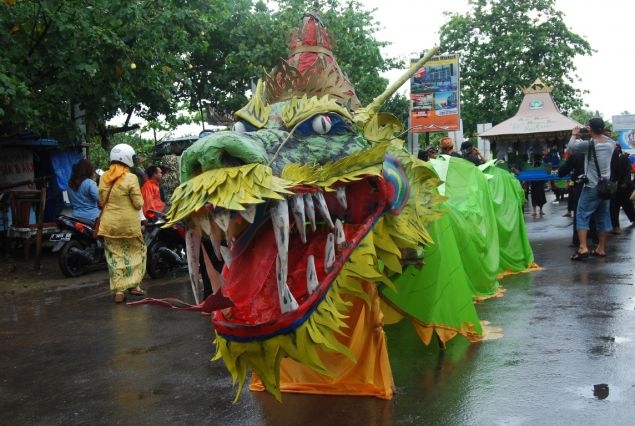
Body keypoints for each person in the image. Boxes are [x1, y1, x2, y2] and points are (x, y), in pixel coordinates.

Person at [98, 143, 147, 303]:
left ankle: (119, 291)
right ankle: (134, 286)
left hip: (109, 224)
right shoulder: (131, 177)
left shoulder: (104, 177)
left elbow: (101, 200)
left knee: (115, 257)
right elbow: (138, 203)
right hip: (129, 225)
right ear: (127, 158)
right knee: (136, 253)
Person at [567, 118, 615, 260]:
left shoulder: (588, 145)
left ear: (591, 129)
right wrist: (595, 131)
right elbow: (604, 137)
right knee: (603, 216)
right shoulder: (610, 144)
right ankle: (601, 248)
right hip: (605, 187)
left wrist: (574, 134)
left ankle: (583, 247)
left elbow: (570, 147)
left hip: (592, 186)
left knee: (582, 214)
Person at [609, 144, 635, 233]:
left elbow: (627, 171)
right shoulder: (614, 158)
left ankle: (618, 225)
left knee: (626, 206)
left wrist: (625, 183)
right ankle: (616, 226)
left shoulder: (623, 158)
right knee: (616, 207)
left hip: (623, 187)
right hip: (616, 187)